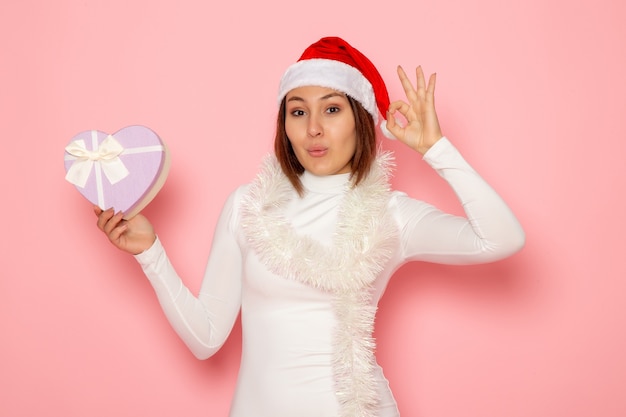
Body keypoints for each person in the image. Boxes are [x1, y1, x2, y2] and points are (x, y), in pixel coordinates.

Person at [94, 37, 525, 417]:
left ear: (361, 119)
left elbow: (502, 238)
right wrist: (150, 253)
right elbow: (205, 338)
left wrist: (436, 150)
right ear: (284, 125)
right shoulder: (247, 205)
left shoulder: (391, 214)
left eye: (332, 110)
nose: (313, 129)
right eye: (297, 111)